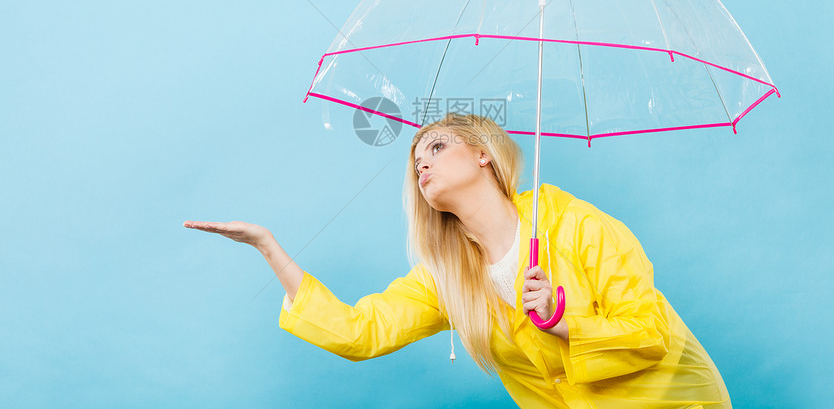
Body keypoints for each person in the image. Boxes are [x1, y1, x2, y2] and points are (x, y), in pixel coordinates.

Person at [185, 113, 731, 408]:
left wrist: (565, 324)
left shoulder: (577, 226)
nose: (422, 164)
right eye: (416, 161)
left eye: (437, 147)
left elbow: (650, 332)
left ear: (482, 153)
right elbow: (358, 332)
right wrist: (268, 247)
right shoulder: (447, 280)